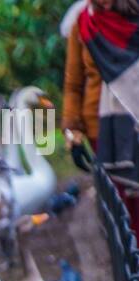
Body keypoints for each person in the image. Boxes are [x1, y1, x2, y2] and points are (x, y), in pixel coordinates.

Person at [62, 0, 139, 241]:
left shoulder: (134, 16)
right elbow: (73, 83)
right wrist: (72, 132)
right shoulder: (83, 24)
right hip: (102, 131)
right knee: (123, 206)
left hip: (135, 119)